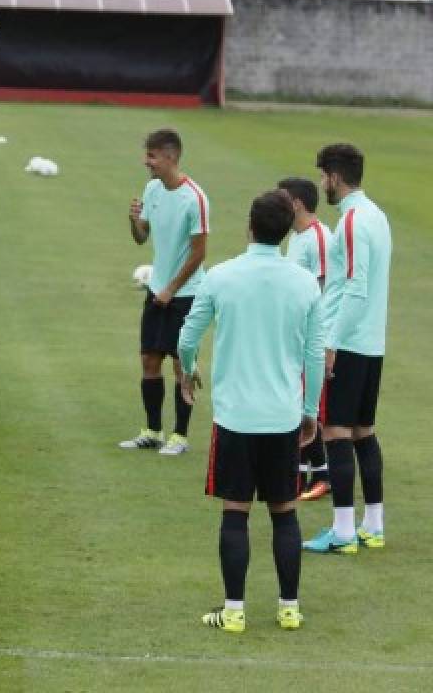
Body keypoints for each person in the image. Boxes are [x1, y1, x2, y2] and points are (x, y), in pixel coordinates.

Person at [178, 189, 324, 633]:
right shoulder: (303, 282)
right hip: (282, 416)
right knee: (284, 512)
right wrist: (310, 411)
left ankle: (235, 611)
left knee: (235, 511)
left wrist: (188, 370)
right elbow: (315, 353)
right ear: (284, 231)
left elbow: (187, 339)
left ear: (249, 225)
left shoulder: (220, 277)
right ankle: (289, 608)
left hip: (236, 417)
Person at [303, 144, 391, 555]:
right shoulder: (377, 215)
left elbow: (355, 287)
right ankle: (373, 525)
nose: (322, 184)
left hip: (349, 342)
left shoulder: (354, 221)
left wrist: (332, 342)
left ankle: (342, 532)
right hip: (372, 342)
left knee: (335, 432)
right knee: (363, 433)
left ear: (335, 177)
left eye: (323, 177)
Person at [121, 129, 209, 456]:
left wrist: (172, 288)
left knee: (181, 364)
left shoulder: (195, 198)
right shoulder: (152, 188)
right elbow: (141, 237)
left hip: (186, 294)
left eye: (152, 156)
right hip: (158, 290)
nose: (147, 162)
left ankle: (180, 436)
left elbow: (199, 252)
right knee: (149, 359)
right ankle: (152, 431)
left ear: (171, 157)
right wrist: (133, 221)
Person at [277, 177, 334, 502]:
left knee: (308, 406)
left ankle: (319, 476)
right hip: (294, 335)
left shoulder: (319, 238)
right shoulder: (296, 238)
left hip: (313, 336)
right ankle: (307, 475)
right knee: (295, 402)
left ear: (296, 203)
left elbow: (323, 288)